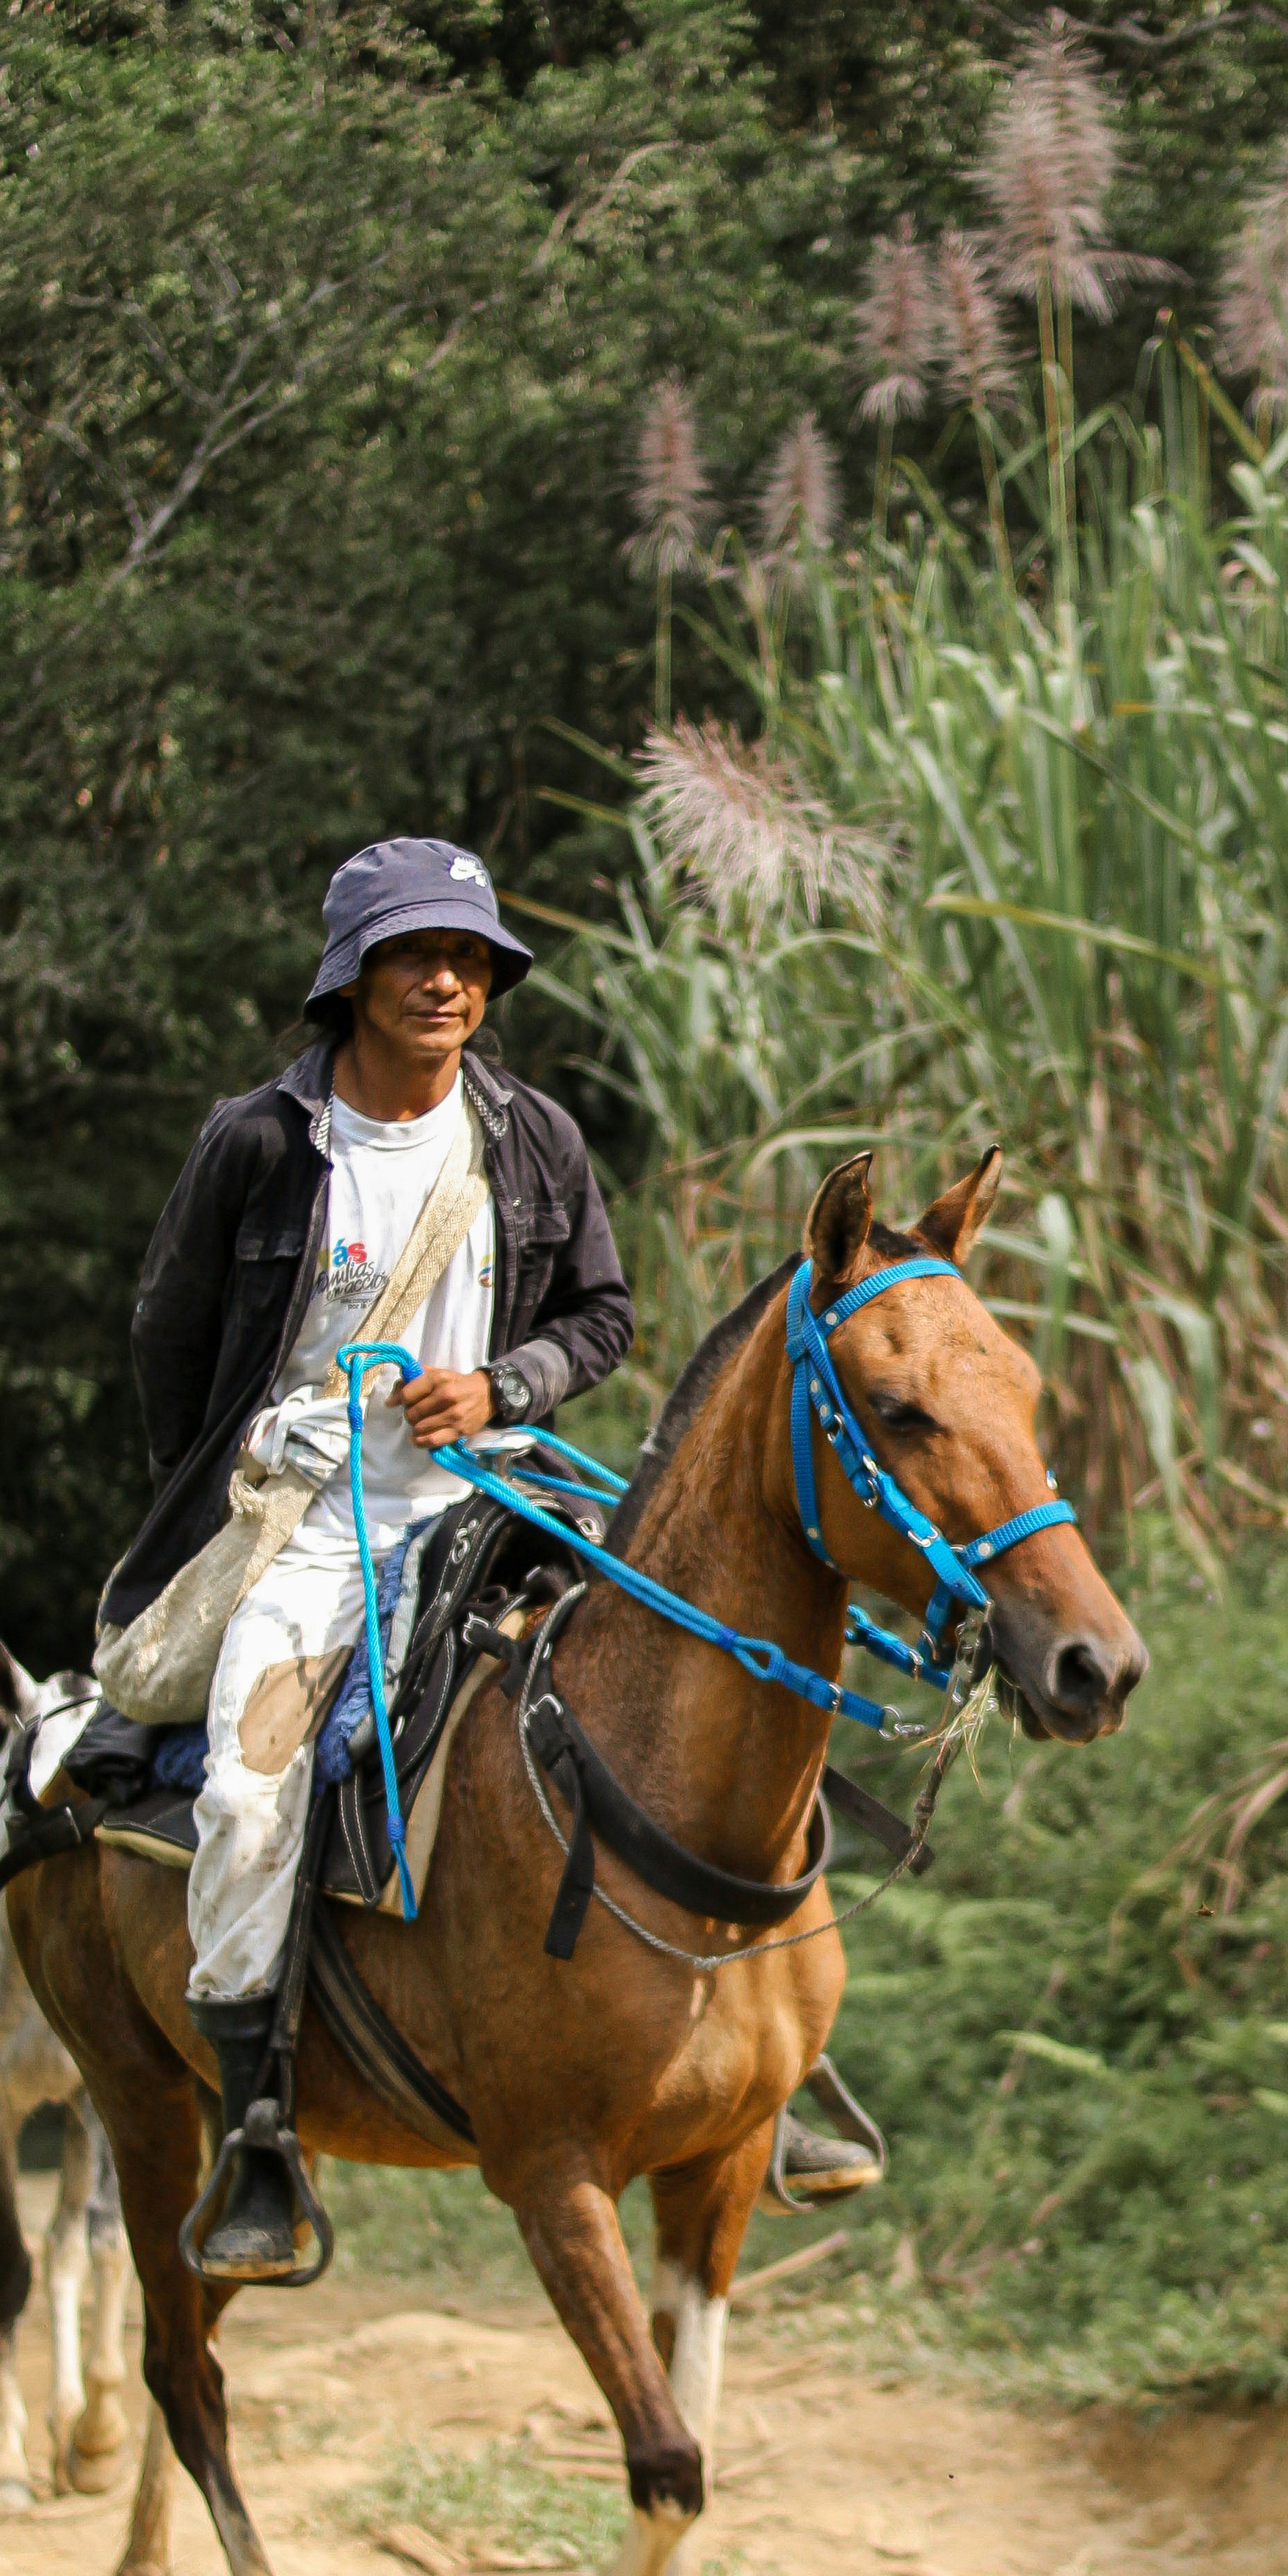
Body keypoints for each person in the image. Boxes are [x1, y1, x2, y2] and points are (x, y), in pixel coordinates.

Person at [103, 834, 876, 2283]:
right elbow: (170, 1332)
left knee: (712, 1699)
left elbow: (602, 1314)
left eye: (468, 959)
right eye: (414, 956)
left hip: (505, 1502)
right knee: (252, 1792)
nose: (445, 983)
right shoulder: (261, 1144)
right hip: (314, 1526)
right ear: (353, 978)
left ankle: (773, 2069)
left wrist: (505, 1385)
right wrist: (230, 1487)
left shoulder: (532, 1137)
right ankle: (260, 2132)